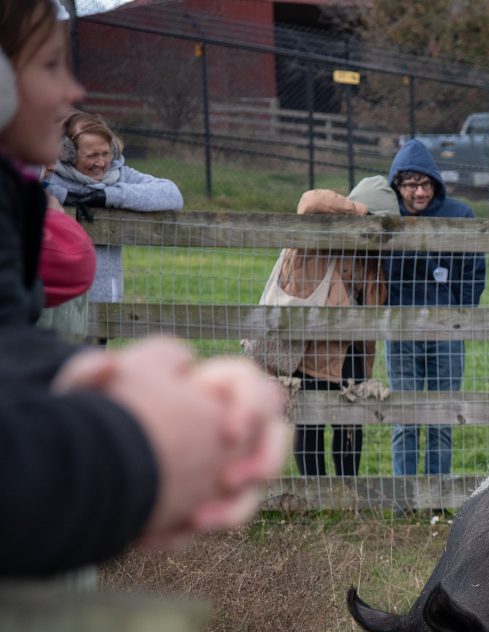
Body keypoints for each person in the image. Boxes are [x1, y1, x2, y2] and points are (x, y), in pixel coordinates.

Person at [1, 2, 289, 574]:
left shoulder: (39, 194)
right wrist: (151, 440)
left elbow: (169, 195)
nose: (73, 87)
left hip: (86, 321)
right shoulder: (41, 187)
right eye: (51, 65)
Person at [249, 176, 395, 477]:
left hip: (351, 354)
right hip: (310, 349)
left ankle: (346, 491)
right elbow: (310, 201)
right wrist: (360, 213)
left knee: (351, 422)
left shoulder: (374, 260)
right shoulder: (317, 238)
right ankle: (312, 491)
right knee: (309, 420)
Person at [384, 141, 486, 477]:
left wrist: (461, 312)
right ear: (397, 185)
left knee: (443, 414)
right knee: (405, 414)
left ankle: (438, 489)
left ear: (436, 183)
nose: (418, 192)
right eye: (410, 184)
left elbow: (474, 269)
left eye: (425, 183)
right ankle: (405, 492)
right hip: (399, 329)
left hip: (447, 329)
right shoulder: (385, 217)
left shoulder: (459, 215)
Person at [44, 110, 182, 303]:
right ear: (68, 152)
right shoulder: (49, 176)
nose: (100, 163)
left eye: (106, 154)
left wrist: (108, 196)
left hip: (106, 300)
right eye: (92, 156)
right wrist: (62, 195)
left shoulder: (119, 174)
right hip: (59, 300)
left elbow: (172, 194)